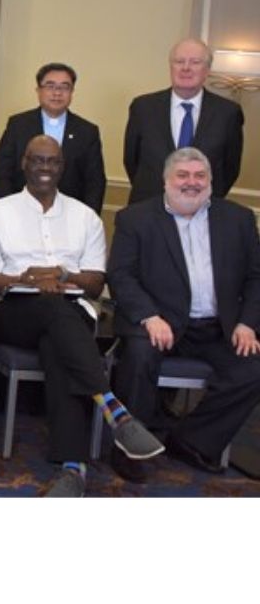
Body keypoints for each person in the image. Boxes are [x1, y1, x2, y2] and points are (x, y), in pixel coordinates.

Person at [0, 135, 165, 496]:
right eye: (37, 160)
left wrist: (63, 275)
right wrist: (25, 278)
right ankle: (113, 409)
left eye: (52, 162)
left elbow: (94, 283)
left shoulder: (84, 216)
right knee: (53, 311)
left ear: (62, 167)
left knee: (60, 346)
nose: (44, 168)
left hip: (71, 311)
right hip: (13, 311)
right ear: (24, 163)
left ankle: (72, 470)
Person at [106, 147, 260, 483]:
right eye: (183, 175)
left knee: (252, 368)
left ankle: (190, 440)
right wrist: (149, 316)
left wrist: (248, 322)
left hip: (218, 327)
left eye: (199, 176)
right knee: (138, 356)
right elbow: (120, 275)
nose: (192, 183)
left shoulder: (239, 219)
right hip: (159, 323)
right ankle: (130, 448)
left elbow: (255, 276)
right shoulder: (136, 218)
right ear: (166, 181)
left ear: (210, 181)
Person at [123, 37, 244, 204]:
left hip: (203, 210)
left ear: (207, 70)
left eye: (195, 62)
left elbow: (230, 168)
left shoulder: (228, 113)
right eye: (179, 61)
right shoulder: (143, 107)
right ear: (170, 66)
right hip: (148, 208)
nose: (186, 68)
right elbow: (131, 161)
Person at [0, 62, 106, 213]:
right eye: (50, 86)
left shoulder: (87, 131)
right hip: (20, 210)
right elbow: (2, 174)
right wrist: (7, 211)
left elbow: (95, 183)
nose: (57, 93)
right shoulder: (18, 125)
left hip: (69, 214)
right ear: (38, 90)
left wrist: (87, 218)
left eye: (64, 87)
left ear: (72, 92)